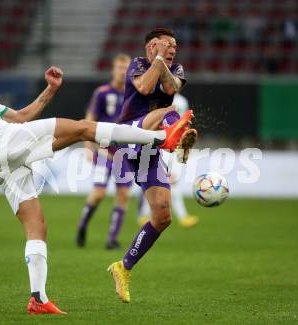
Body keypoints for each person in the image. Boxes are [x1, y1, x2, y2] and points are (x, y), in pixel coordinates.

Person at [0, 37, 193, 315]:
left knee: (36, 224)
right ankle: (161, 138)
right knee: (83, 128)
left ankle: (38, 298)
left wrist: (50, 90)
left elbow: (21, 117)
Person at [107, 28, 198, 303]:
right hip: (128, 134)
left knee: (162, 215)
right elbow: (145, 88)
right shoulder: (138, 64)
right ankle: (178, 138)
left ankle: (122, 267)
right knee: (171, 112)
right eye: (168, 45)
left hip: (150, 147)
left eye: (175, 46)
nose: (173, 49)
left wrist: (164, 62)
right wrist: (157, 59)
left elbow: (170, 87)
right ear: (152, 45)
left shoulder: (176, 68)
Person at [76, 54, 133, 250]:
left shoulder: (134, 94)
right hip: (104, 153)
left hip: (126, 155)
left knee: (124, 195)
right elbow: (90, 118)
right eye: (119, 67)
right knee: (99, 193)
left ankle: (112, 239)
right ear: (113, 69)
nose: (123, 71)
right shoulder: (102, 93)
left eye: (126, 68)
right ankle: (83, 224)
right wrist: (88, 147)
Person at [136, 93, 199, 229]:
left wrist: (187, 144)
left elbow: (184, 124)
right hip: (160, 143)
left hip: (176, 145)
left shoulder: (182, 101)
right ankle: (146, 215)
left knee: (170, 180)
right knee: (159, 181)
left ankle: (145, 215)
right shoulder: (157, 99)